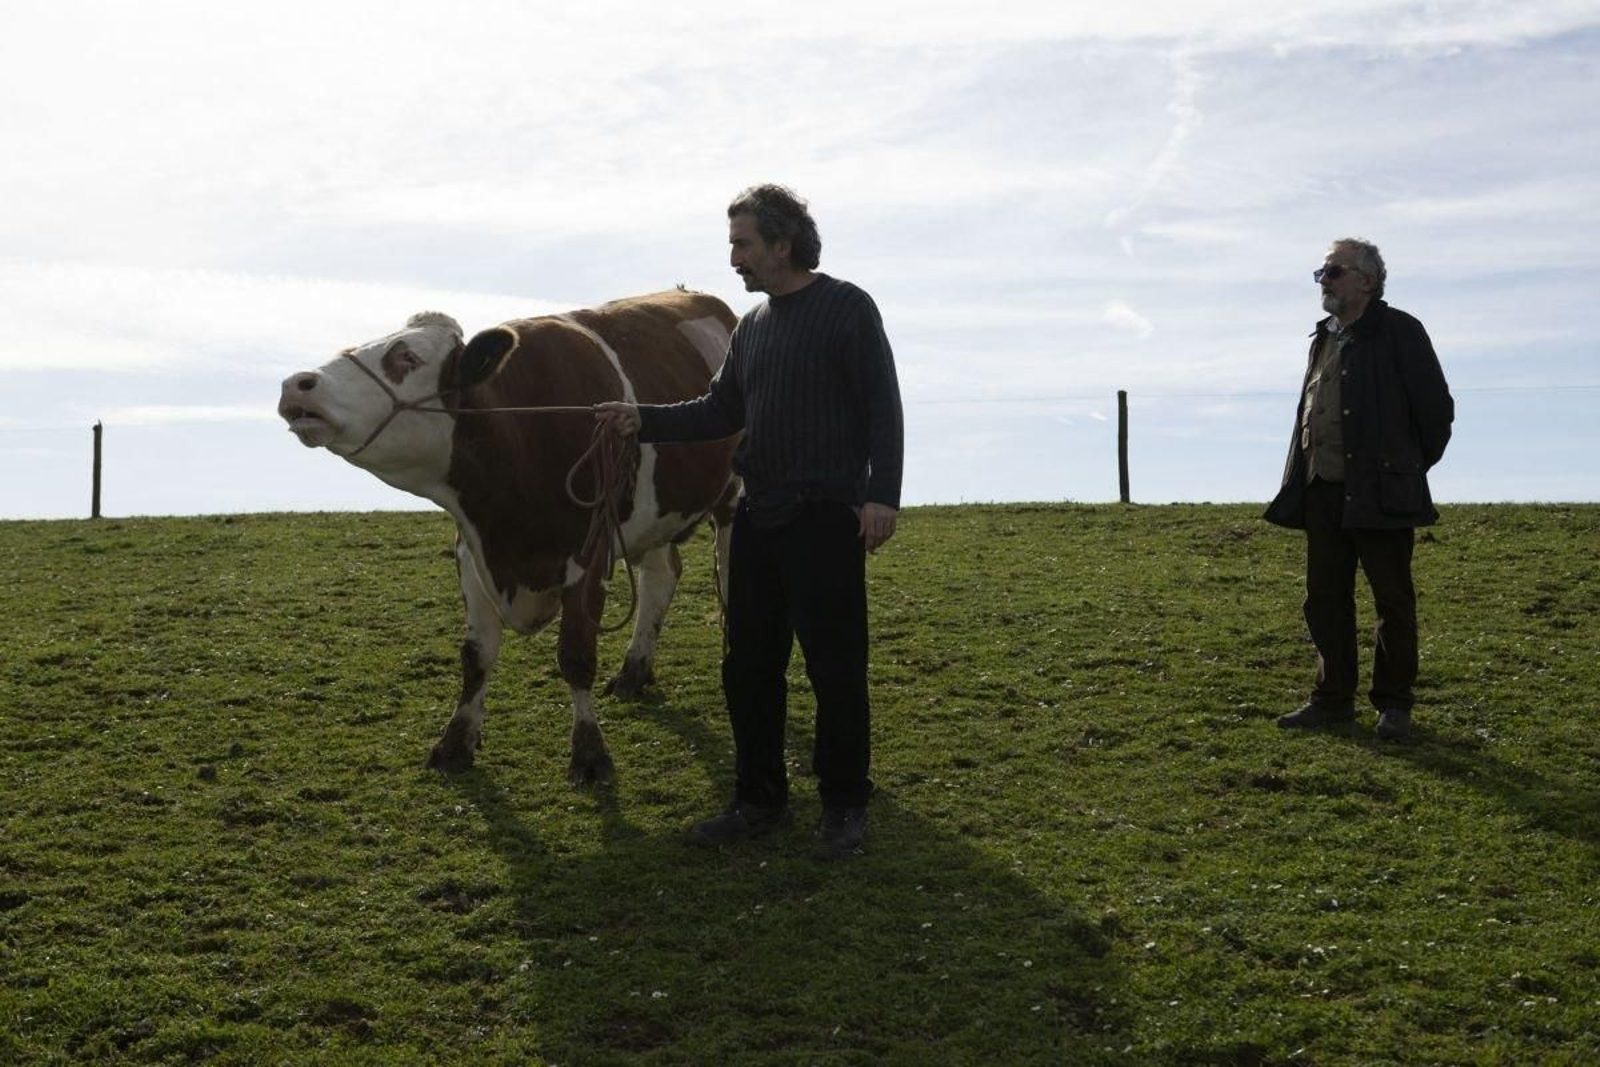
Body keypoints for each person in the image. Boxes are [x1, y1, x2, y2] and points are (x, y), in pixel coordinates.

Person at [595, 183, 904, 858]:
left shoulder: (847, 308)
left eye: (743, 243)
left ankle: (845, 805)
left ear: (781, 243)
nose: (733, 257)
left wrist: (883, 496)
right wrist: (640, 419)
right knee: (748, 666)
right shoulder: (754, 327)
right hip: (760, 517)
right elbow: (717, 408)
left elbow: (884, 405)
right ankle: (758, 798)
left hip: (826, 516)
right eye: (733, 244)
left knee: (835, 667)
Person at [1265, 238, 1453, 741]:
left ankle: (1394, 707)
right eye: (1322, 273)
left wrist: (1404, 470)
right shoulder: (1322, 337)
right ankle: (1331, 702)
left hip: (1381, 490)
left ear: (1367, 281)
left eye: (1334, 272)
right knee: (1325, 597)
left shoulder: (1400, 331)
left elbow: (1436, 413)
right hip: (1321, 486)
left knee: (1392, 600)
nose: (1324, 281)